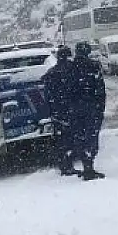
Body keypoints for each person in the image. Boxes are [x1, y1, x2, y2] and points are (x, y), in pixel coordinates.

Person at [69, 41, 107, 180]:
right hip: (92, 108)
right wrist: (100, 107)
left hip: (75, 109)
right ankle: (89, 167)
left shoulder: (70, 68)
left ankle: (85, 164)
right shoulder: (94, 66)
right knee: (92, 136)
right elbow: (100, 90)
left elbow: (66, 91)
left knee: (79, 136)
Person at [42, 45, 78, 176]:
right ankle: (69, 163)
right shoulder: (74, 70)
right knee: (73, 138)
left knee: (61, 139)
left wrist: (51, 111)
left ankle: (64, 164)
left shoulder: (51, 73)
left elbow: (47, 95)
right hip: (72, 110)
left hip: (59, 112)